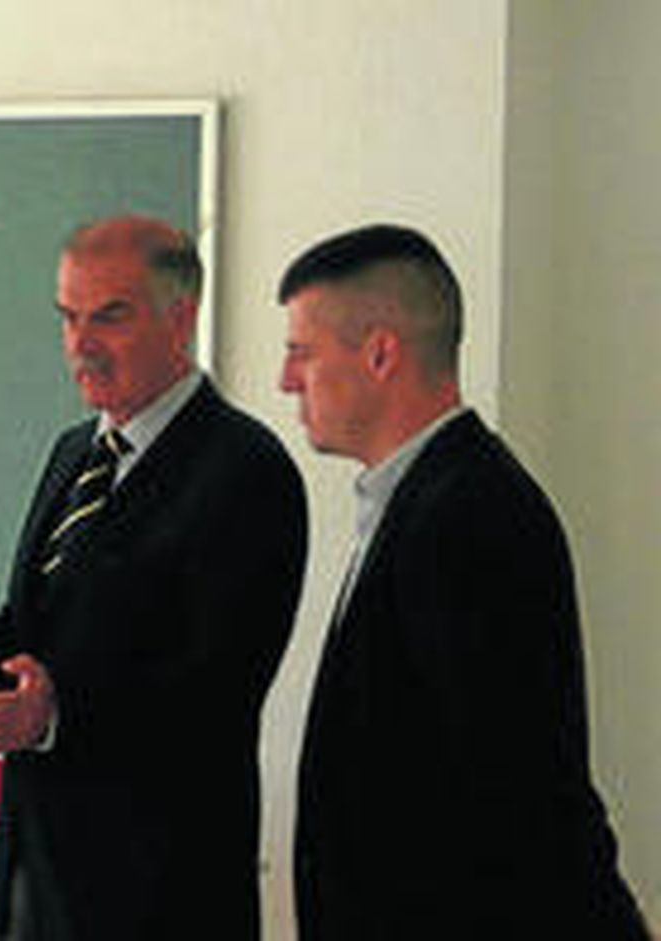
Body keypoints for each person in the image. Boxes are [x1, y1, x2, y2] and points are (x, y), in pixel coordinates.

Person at [278, 223, 649, 939]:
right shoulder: (422, 499)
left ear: (381, 353)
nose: (285, 379)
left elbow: (522, 792)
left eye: (302, 353)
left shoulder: (470, 516)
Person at [0, 215, 308, 940]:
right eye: (68, 318)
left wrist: (55, 717)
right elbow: (31, 633)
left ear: (180, 318)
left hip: (162, 895)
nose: (80, 345)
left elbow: (214, 691)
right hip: (38, 875)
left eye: (109, 318)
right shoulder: (73, 451)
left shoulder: (245, 469)